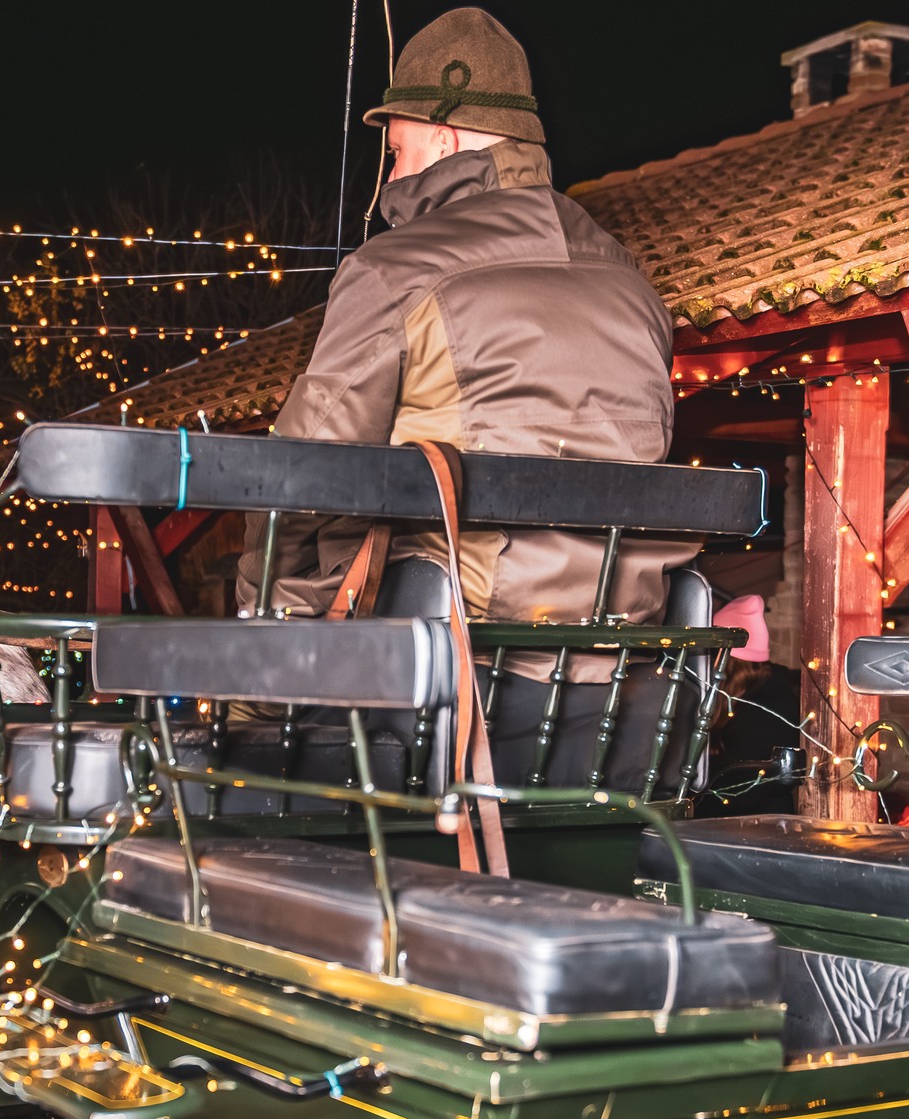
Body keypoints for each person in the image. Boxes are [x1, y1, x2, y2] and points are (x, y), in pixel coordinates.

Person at [238, 7, 689, 661]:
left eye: (397, 153)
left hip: (451, 673)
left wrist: (268, 638)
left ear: (444, 140)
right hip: (619, 673)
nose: (390, 178)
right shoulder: (633, 284)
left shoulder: (393, 270)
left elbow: (305, 478)